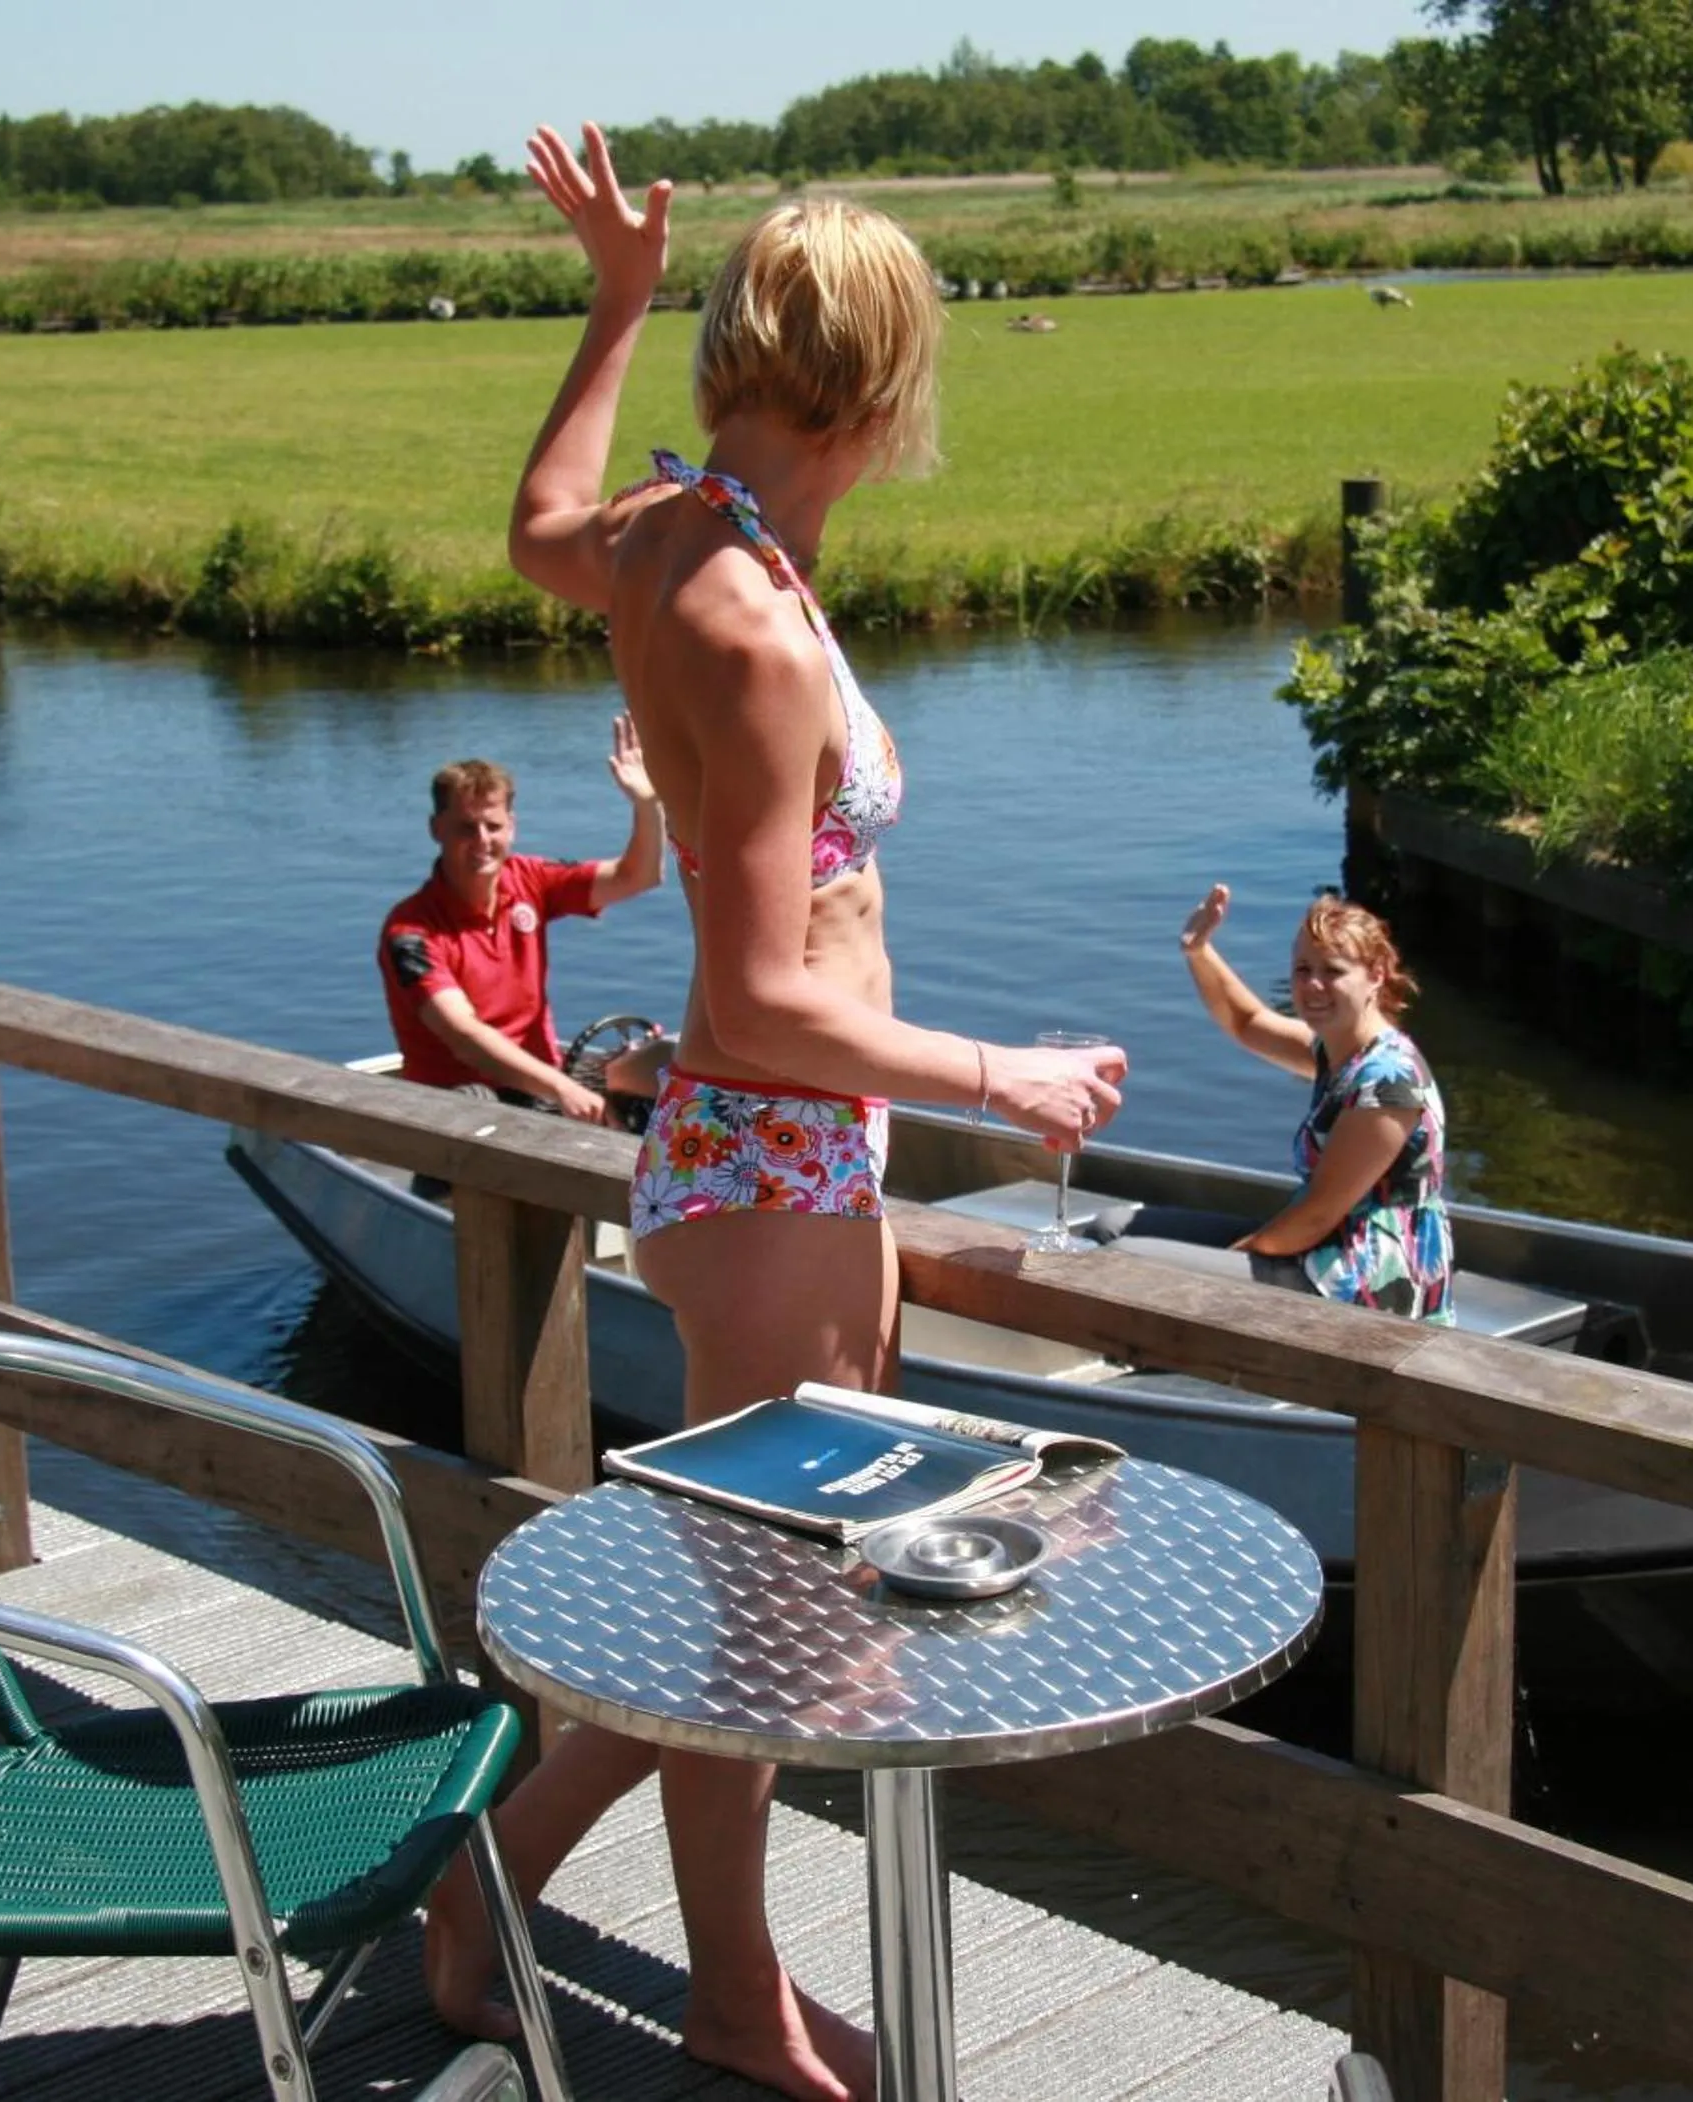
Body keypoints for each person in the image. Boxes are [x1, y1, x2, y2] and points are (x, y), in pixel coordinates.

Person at [418, 124, 1126, 2102]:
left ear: (741, 350)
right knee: (779, 1630)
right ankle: (568, 1932)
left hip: (781, 1167)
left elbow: (535, 518)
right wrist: (1008, 1076)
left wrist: (610, 305)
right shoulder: (738, 611)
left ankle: (608, 1939)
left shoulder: (674, 532)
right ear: (888, 387)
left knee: (769, 1612)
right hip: (774, 1160)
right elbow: (756, 995)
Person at [1177, 882, 1453, 1323]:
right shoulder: (1339, 1052)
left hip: (1362, 1286)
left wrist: (1229, 1261)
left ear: (1376, 975)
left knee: (1134, 1263)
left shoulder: (1389, 1082)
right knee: (1112, 1228)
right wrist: (1198, 951)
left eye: (1334, 970)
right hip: (1321, 1253)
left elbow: (1316, 1216)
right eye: (1303, 969)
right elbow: (1248, 1023)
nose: (1313, 984)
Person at [377, 721, 664, 1125]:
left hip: (539, 1081)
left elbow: (639, 875)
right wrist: (562, 1088)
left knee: (663, 1067)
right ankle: (451, 1188)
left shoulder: (530, 879)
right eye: (464, 827)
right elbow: (464, 1037)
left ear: (511, 826)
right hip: (459, 1098)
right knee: (477, 1105)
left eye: (492, 826)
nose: (481, 840)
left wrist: (647, 803)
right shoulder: (411, 932)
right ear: (436, 829)